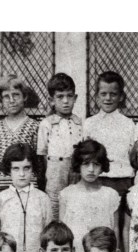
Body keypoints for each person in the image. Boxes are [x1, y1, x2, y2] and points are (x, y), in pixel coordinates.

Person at [0, 143, 51, 252]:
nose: (22, 174)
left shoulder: (43, 199)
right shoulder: (1, 198)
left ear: (33, 168)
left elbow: (49, 238)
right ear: (8, 170)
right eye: (16, 169)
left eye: (26, 168)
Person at [58, 140, 119, 252]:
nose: (91, 169)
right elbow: (63, 234)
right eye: (86, 164)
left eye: (96, 164)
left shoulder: (110, 195)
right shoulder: (67, 194)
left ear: (102, 166)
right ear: (78, 165)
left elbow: (115, 232)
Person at [82, 71, 136, 211]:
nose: (108, 98)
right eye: (103, 94)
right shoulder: (89, 124)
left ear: (121, 97)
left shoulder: (129, 124)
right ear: (96, 96)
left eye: (113, 94)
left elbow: (132, 155)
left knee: (120, 224)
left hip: (122, 181)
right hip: (97, 180)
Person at [37, 72, 82, 219]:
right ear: (51, 100)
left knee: (74, 203)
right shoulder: (46, 124)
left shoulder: (80, 123)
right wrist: (50, 174)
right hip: (55, 170)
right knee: (55, 205)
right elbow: (42, 153)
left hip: (75, 169)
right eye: (60, 97)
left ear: (75, 98)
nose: (65, 101)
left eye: (69, 96)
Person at [0, 75, 39, 198]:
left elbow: (39, 162)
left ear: (25, 97)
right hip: (1, 186)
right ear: (1, 101)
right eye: (6, 96)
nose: (11, 100)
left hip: (27, 187)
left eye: (16, 95)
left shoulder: (34, 126)